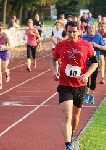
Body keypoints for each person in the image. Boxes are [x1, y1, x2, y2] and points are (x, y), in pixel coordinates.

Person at [51, 21, 98, 150]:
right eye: (69, 32)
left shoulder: (86, 45)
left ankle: (71, 134)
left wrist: (87, 74)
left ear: (79, 31)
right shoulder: (61, 45)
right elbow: (53, 58)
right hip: (65, 84)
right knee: (67, 115)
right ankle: (68, 145)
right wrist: (54, 71)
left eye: (74, 32)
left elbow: (95, 63)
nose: (72, 34)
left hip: (80, 85)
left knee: (75, 117)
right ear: (66, 32)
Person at [0, 22, 12, 89]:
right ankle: (0, 84)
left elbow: (11, 46)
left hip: (5, 53)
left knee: (4, 69)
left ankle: (7, 73)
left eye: (0, 29)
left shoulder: (5, 36)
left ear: (2, 29)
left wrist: (5, 47)